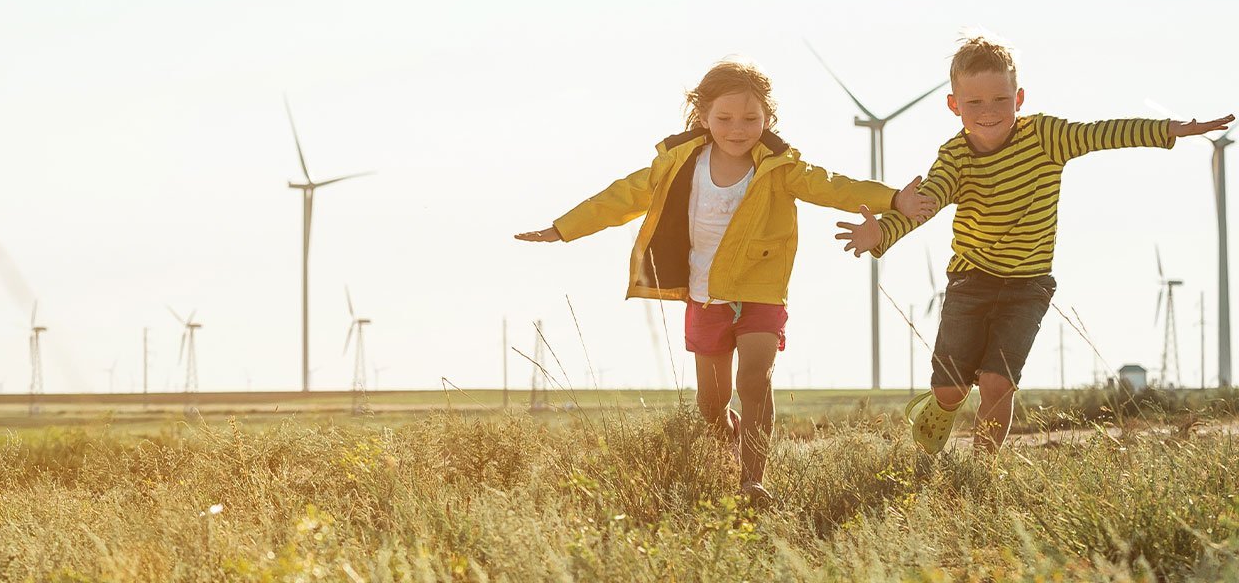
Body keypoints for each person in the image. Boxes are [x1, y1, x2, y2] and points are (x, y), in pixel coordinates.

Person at [516, 58, 935, 506]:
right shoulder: (678, 163)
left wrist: (892, 198)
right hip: (705, 295)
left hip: (760, 291)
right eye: (726, 119)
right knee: (711, 406)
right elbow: (620, 196)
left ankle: (753, 479)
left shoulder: (780, 167)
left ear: (768, 119)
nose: (739, 129)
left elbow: (833, 186)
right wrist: (564, 228)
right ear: (703, 118)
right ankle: (733, 443)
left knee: (754, 381)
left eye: (751, 119)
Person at [836, 34, 1234, 454]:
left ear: (1019, 97)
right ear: (954, 105)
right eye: (974, 103)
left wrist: (1168, 129)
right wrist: (882, 232)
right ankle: (941, 404)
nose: (988, 112)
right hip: (970, 280)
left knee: (997, 382)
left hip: (1028, 285)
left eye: (1000, 100)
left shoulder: (1046, 136)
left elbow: (1103, 134)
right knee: (951, 389)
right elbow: (926, 202)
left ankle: (983, 466)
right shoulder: (955, 156)